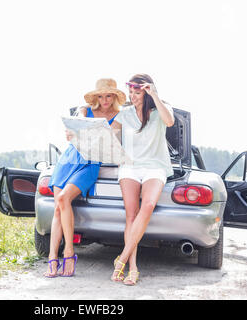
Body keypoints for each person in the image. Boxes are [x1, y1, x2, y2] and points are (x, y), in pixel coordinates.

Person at [44, 78, 126, 278]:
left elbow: (111, 143)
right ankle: (52, 257)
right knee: (57, 208)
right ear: (96, 97)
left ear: (114, 96)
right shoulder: (84, 110)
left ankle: (69, 252)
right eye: (101, 96)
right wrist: (73, 131)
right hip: (68, 160)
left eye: (108, 96)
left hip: (91, 163)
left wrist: (83, 135)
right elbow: (72, 132)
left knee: (64, 199)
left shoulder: (119, 116)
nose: (105, 100)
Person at [109, 73, 175, 285]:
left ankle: (122, 260)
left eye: (137, 93)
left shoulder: (161, 110)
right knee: (131, 214)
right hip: (130, 167)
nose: (133, 96)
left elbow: (170, 121)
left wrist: (154, 94)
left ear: (146, 93)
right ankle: (133, 267)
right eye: (131, 92)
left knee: (147, 206)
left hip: (155, 167)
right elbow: (107, 135)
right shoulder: (125, 113)